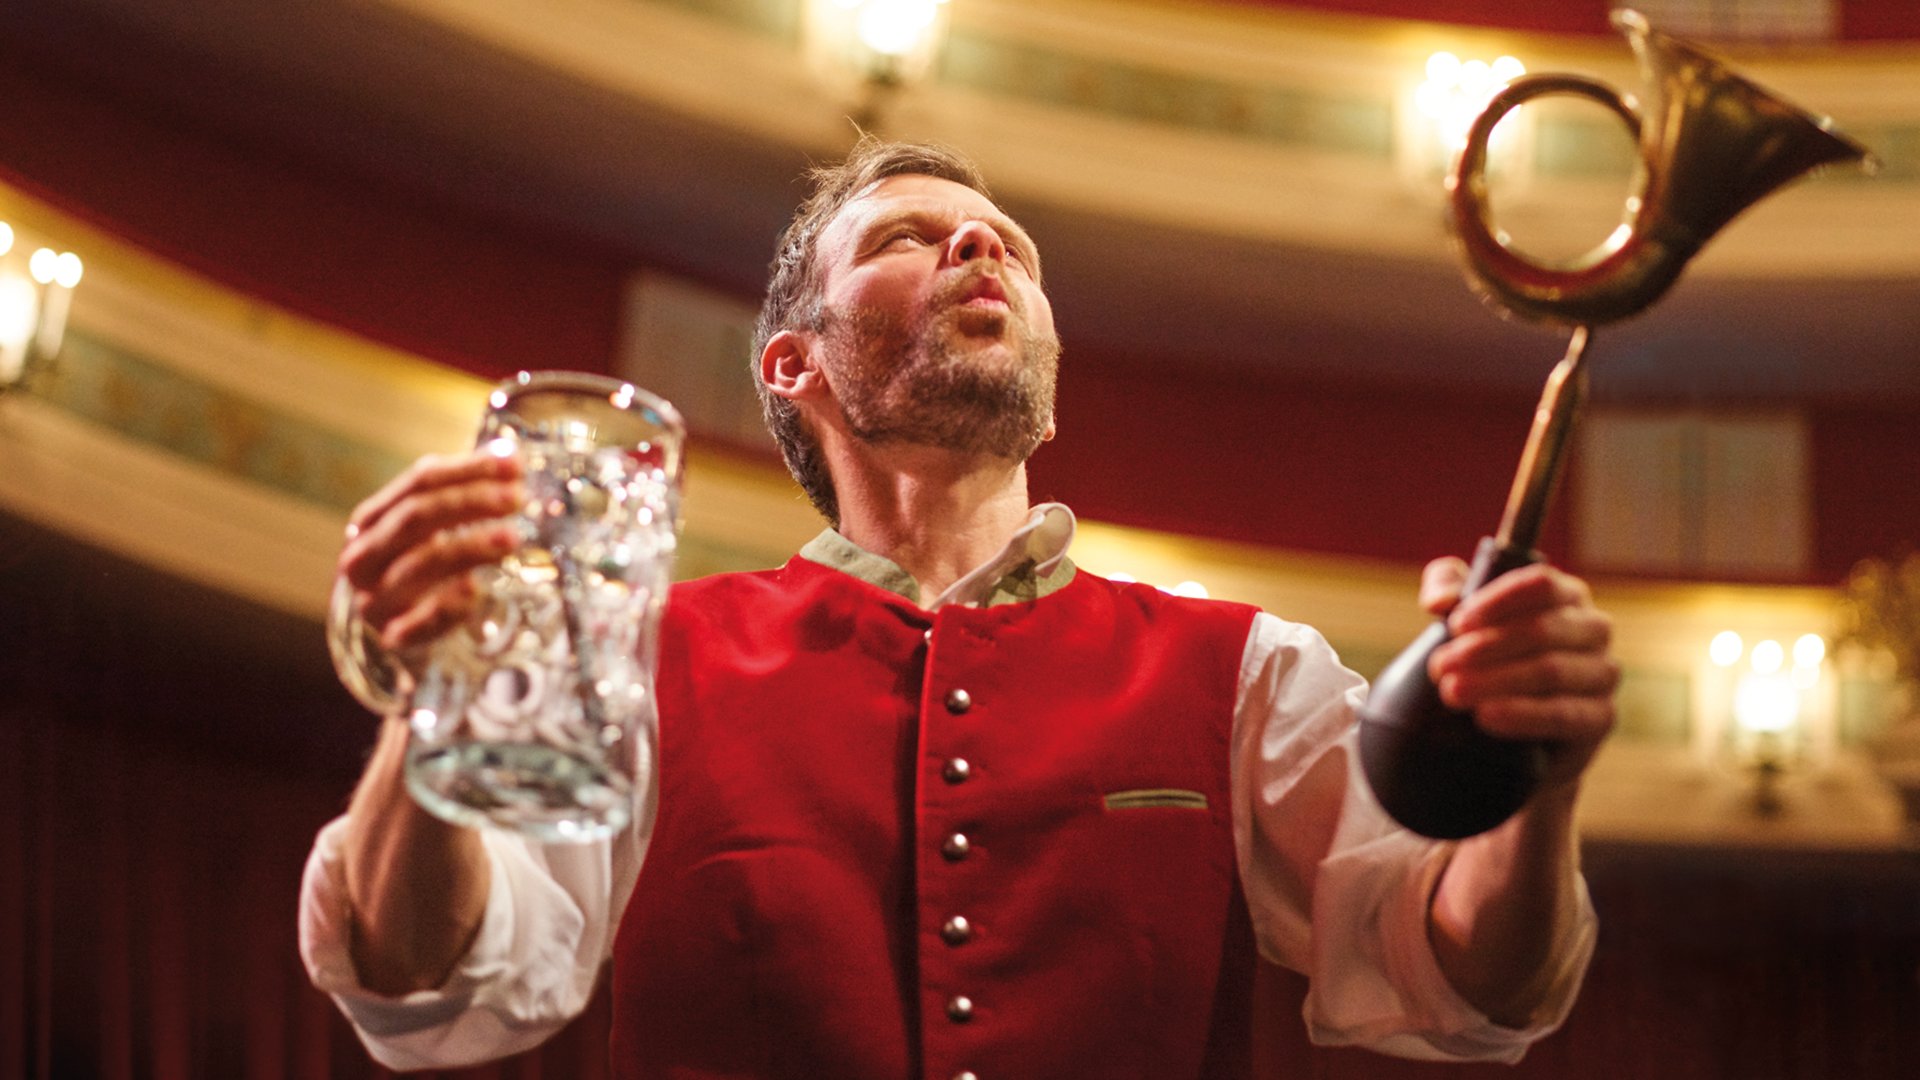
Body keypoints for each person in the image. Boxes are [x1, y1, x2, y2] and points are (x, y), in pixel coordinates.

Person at [299, 139, 1618, 1078]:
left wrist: (1540, 788)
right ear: (793, 362)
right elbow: (426, 986)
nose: (980, 244)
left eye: (1010, 249)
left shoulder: (1248, 671)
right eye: (905, 239)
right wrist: (440, 704)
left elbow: (1469, 985)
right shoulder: (650, 660)